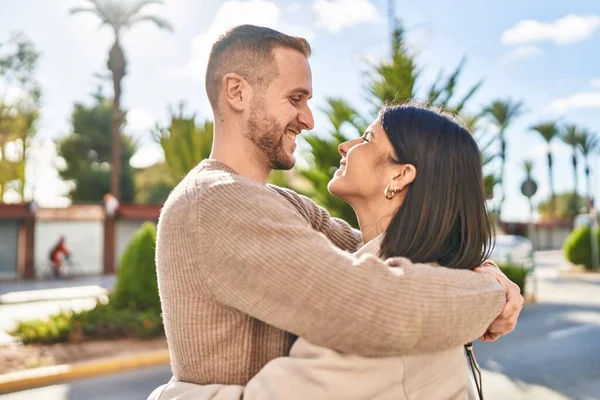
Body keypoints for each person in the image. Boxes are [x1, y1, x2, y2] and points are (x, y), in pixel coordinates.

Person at [151, 24, 523, 395]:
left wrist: (481, 268)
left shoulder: (283, 204)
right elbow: (376, 303)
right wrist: (488, 293)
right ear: (237, 92)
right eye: (295, 99)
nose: (309, 120)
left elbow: (384, 248)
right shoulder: (216, 200)